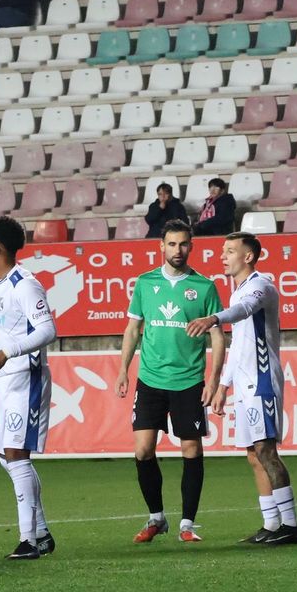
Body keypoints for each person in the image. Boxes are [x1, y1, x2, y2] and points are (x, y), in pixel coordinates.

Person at [184, 233, 297, 545]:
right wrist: (224, 385)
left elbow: (244, 312)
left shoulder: (260, 285)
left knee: (266, 450)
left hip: (263, 379)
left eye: (230, 251)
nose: (223, 256)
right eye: (223, 251)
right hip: (246, 382)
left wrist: (213, 317)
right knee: (253, 455)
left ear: (248, 257)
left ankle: (291, 525)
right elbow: (238, 345)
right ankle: (272, 524)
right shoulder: (238, 291)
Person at [115, 221, 223, 543]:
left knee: (190, 448)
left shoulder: (204, 287)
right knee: (143, 450)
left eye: (184, 244)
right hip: (150, 379)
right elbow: (133, 329)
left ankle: (187, 524)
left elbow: (218, 337)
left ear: (191, 246)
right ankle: (156, 518)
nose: (178, 250)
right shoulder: (146, 284)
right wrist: (123, 369)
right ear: (161, 246)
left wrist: (213, 380)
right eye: (172, 244)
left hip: (188, 380)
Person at [0, 215, 58, 560]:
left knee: (16, 455)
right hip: (5, 381)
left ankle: (28, 541)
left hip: (27, 378)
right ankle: (40, 533)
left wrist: (7, 354)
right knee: (5, 456)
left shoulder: (25, 284)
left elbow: (47, 330)